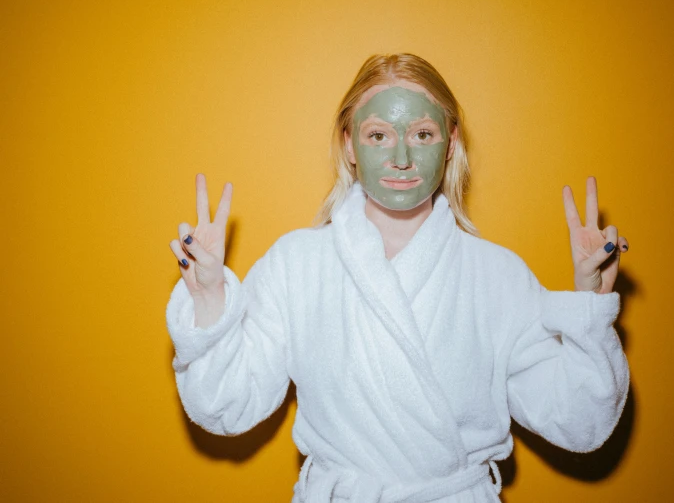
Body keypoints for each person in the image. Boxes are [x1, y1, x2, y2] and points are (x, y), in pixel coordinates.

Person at [166, 53, 630, 502]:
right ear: (348, 143)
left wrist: (589, 310)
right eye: (379, 135)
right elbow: (226, 407)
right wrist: (209, 300)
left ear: (451, 141)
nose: (403, 157)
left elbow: (581, 424)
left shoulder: (498, 275)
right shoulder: (296, 264)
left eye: (423, 133)